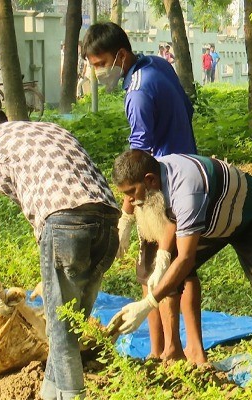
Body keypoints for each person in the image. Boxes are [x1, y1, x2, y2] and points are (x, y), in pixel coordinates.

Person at [0, 108, 120, 400]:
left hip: (64, 223)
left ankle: (73, 396)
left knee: (61, 334)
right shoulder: (50, 128)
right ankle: (49, 394)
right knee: (68, 327)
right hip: (108, 224)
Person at [108, 149, 252, 377]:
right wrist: (134, 227)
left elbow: (186, 258)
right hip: (216, 219)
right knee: (168, 272)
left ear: (150, 180)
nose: (131, 200)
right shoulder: (155, 172)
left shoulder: (187, 191)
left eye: (132, 193)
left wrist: (148, 303)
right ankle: (177, 351)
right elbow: (173, 220)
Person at [82, 22, 200, 362]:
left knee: (153, 270)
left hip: (158, 187)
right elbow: (187, 110)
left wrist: (126, 218)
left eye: (100, 63)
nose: (97, 72)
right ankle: (182, 348)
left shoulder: (137, 93)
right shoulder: (157, 64)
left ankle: (167, 350)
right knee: (185, 269)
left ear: (121, 55)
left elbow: (137, 164)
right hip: (186, 173)